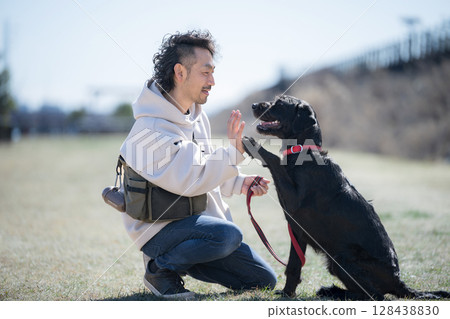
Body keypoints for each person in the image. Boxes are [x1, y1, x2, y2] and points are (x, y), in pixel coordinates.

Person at [119, 30, 276, 299]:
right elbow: (192, 178)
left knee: (263, 280)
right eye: (205, 72)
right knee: (226, 236)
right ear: (180, 73)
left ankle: (186, 258)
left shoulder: (194, 115)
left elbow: (203, 163)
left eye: (213, 72)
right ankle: (160, 268)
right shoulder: (149, 130)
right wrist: (234, 154)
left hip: (196, 225)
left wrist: (240, 182)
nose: (212, 81)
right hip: (159, 230)